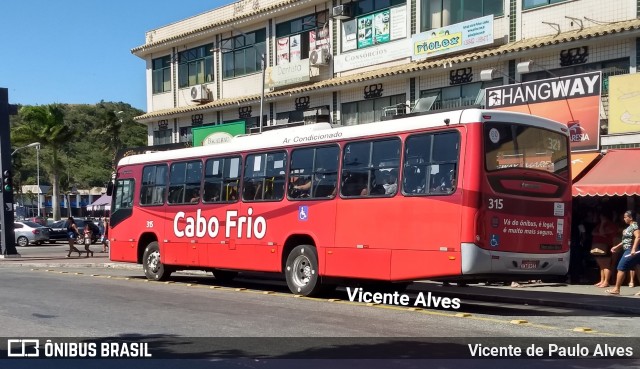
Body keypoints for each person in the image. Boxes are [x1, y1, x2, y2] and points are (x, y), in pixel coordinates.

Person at [605, 210, 640, 295]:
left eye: (625, 217)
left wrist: (633, 249)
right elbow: (625, 240)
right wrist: (617, 247)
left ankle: (616, 289)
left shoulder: (634, 226)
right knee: (637, 268)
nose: (624, 219)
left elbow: (638, 237)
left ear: (630, 218)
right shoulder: (629, 227)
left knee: (621, 267)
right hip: (627, 249)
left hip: (630, 250)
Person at [591, 211, 618, 288]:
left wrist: (602, 224)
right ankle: (602, 280)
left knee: (606, 265)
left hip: (606, 246)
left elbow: (602, 233)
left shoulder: (611, 225)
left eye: (602, 217)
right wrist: (600, 228)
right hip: (598, 246)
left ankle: (606, 281)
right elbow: (593, 232)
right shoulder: (599, 224)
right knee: (601, 265)